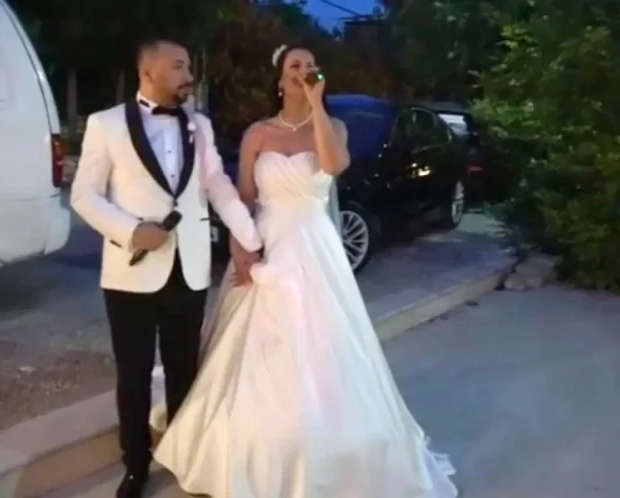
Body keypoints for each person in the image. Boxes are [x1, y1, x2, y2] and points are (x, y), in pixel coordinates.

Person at [151, 44, 458, 498]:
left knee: (324, 341)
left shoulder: (333, 127)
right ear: (279, 79)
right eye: (295, 65)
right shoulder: (258, 133)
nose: (304, 71)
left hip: (315, 246)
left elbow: (334, 165)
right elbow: (244, 198)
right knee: (256, 343)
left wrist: (316, 106)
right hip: (268, 241)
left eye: (311, 65)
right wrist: (239, 245)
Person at [69, 37, 263, 498]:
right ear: (148, 72)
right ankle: (135, 466)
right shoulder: (106, 124)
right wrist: (132, 230)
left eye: (189, 67)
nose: (188, 76)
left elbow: (216, 184)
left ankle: (185, 458)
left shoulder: (199, 125)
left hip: (190, 266)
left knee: (184, 372)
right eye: (178, 66)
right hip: (130, 270)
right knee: (134, 374)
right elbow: (83, 195)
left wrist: (250, 239)